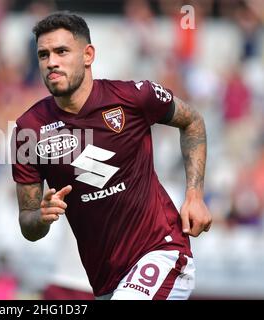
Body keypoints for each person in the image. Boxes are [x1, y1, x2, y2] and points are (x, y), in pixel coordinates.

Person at [11, 12, 212, 300]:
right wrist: (41, 217)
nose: (51, 62)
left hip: (162, 251)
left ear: (88, 55)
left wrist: (194, 194)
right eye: (43, 55)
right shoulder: (28, 129)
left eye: (61, 51)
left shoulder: (133, 97)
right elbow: (28, 224)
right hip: (106, 281)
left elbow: (192, 120)